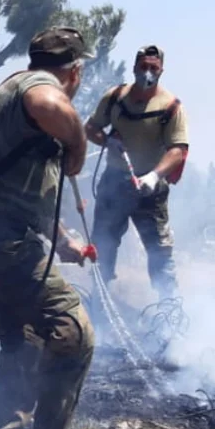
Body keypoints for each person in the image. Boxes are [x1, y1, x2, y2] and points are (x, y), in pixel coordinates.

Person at [0, 26, 96, 429]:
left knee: (26, 341)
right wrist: (77, 143)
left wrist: (63, 240)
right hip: (4, 245)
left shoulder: (11, 96)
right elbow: (49, 102)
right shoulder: (36, 88)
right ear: (74, 71)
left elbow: (20, 194)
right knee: (73, 332)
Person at [85, 45, 189, 301]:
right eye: (143, 66)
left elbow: (178, 150)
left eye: (153, 67)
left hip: (150, 190)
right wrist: (108, 141)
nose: (148, 72)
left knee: (160, 251)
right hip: (114, 184)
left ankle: (168, 308)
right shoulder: (114, 98)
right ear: (134, 68)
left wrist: (154, 176)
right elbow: (90, 128)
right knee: (103, 245)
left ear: (161, 70)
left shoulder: (171, 106)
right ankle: (99, 302)